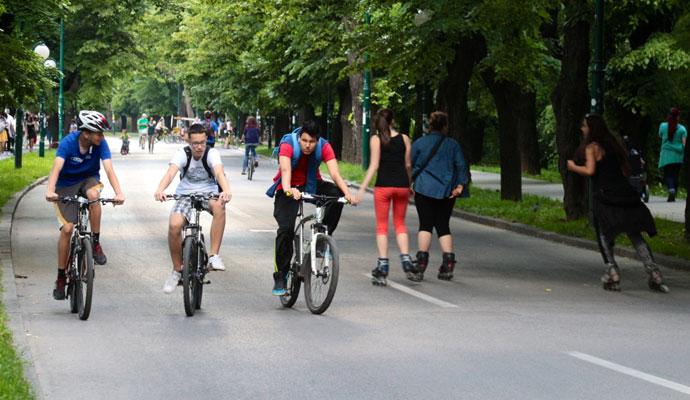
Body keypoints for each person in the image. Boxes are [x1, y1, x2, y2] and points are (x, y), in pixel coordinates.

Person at [568, 113, 668, 293]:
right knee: (635, 234)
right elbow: (627, 168)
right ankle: (654, 272)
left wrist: (573, 166)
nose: (582, 129)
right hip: (625, 193)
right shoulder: (614, 145)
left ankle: (612, 270)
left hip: (605, 196)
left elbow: (590, 170)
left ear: (591, 128)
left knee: (604, 233)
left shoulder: (593, 147)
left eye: (584, 126)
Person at [266, 120, 356, 295]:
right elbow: (285, 171)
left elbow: (335, 173)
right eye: (305, 140)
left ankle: (323, 239)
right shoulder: (288, 144)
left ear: (317, 140)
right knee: (286, 230)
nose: (308, 145)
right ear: (300, 137)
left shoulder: (324, 146)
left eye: (312, 142)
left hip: (311, 185)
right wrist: (289, 190)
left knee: (336, 196)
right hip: (288, 187)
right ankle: (280, 276)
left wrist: (347, 194)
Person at [44, 110, 125, 300]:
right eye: (98, 132)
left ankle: (95, 243)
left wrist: (119, 192)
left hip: (88, 179)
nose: (101, 136)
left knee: (93, 195)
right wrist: (50, 190)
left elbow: (108, 168)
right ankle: (61, 276)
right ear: (86, 133)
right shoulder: (68, 143)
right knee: (67, 229)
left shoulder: (100, 144)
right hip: (65, 185)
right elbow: (56, 168)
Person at [154, 123, 232, 294]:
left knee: (220, 206)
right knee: (174, 226)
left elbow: (219, 173)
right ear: (189, 141)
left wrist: (225, 190)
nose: (199, 147)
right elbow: (170, 173)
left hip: (208, 193)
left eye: (202, 142)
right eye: (195, 143)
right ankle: (177, 271)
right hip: (185, 194)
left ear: (206, 141)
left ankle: (213, 256)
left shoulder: (212, 153)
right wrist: (161, 189)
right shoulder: (183, 154)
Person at [355, 109, 418, 285]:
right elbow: (407, 165)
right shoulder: (405, 138)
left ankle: (383, 266)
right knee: (400, 223)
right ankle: (406, 259)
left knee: (382, 226)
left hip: (383, 186)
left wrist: (362, 188)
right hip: (401, 186)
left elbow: (374, 165)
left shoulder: (376, 139)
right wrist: (410, 184)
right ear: (393, 120)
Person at [411, 111, 469, 281]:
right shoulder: (453, 145)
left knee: (425, 225)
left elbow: (411, 165)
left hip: (423, 189)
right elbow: (460, 165)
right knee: (443, 225)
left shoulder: (420, 143)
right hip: (447, 191)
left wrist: (409, 182)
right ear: (445, 126)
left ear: (430, 125)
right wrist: (460, 185)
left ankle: (421, 265)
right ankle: (448, 264)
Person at [658, 107, 687, 202]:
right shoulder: (682, 129)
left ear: (668, 116)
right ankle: (674, 192)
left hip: (666, 155)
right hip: (678, 156)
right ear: (678, 117)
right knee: (675, 174)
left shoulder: (662, 126)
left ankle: (671, 190)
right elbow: (684, 144)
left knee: (668, 174)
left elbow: (660, 135)